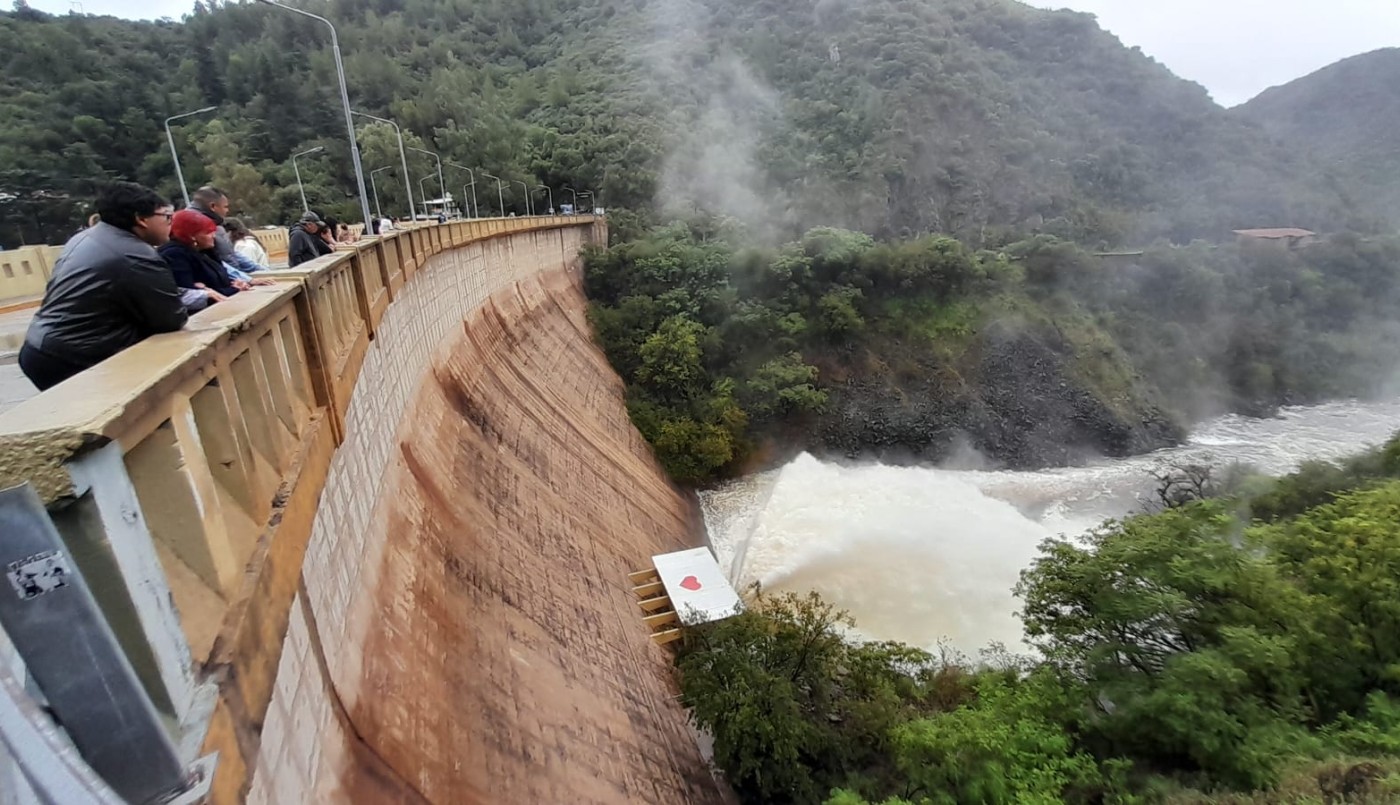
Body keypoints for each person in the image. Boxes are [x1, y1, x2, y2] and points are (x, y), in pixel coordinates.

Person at [20, 182, 188, 391]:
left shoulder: (84, 238)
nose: (169, 224)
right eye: (166, 217)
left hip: (38, 347)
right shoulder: (135, 254)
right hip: (73, 356)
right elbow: (170, 319)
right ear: (141, 219)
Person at [159, 210, 240, 299]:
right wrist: (232, 289)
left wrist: (235, 283)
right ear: (192, 235)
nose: (213, 236)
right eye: (208, 232)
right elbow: (191, 294)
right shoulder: (175, 255)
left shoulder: (206, 250)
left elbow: (220, 281)